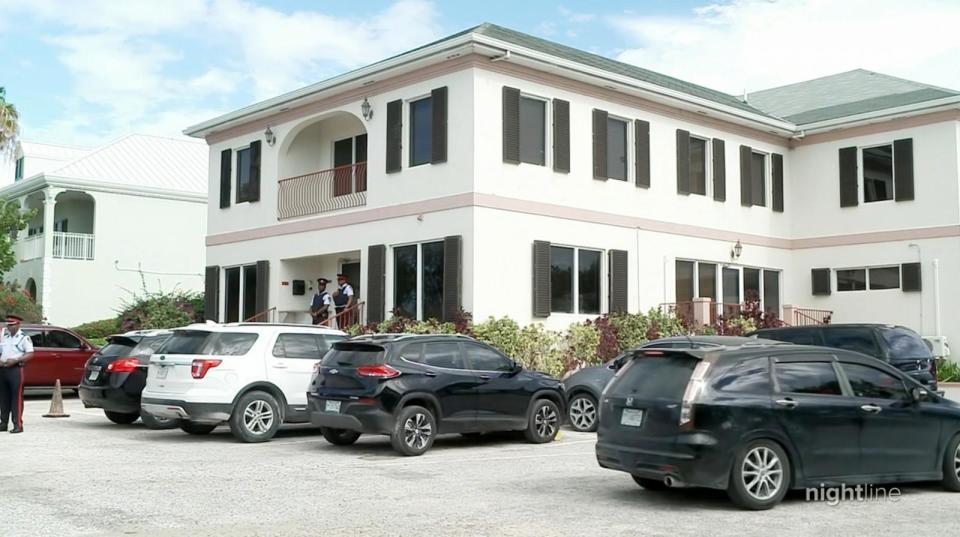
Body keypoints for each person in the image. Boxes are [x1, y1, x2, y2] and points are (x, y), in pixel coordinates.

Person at [0, 314, 34, 434]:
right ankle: (3, 423)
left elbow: (30, 353)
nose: (9, 327)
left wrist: (16, 360)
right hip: (3, 369)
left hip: (15, 369)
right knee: (3, 398)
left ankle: (18, 425)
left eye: (12, 325)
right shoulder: (4, 336)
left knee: (16, 398)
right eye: (8, 325)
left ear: (18, 324)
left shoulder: (23, 337)